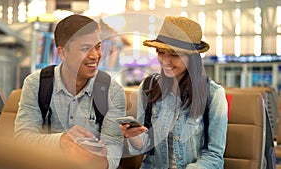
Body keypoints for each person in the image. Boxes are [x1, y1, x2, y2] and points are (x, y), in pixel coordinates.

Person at [14, 14, 126, 169]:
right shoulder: (36, 84)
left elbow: (113, 145)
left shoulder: (112, 91)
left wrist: (103, 162)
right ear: (62, 53)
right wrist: (62, 142)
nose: (95, 55)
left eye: (98, 47)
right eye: (85, 48)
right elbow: (22, 138)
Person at [119, 16, 228, 169]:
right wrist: (134, 136)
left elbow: (215, 156)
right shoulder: (149, 87)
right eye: (161, 52)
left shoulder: (213, 95)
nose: (165, 60)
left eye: (174, 55)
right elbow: (145, 147)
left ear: (192, 57)